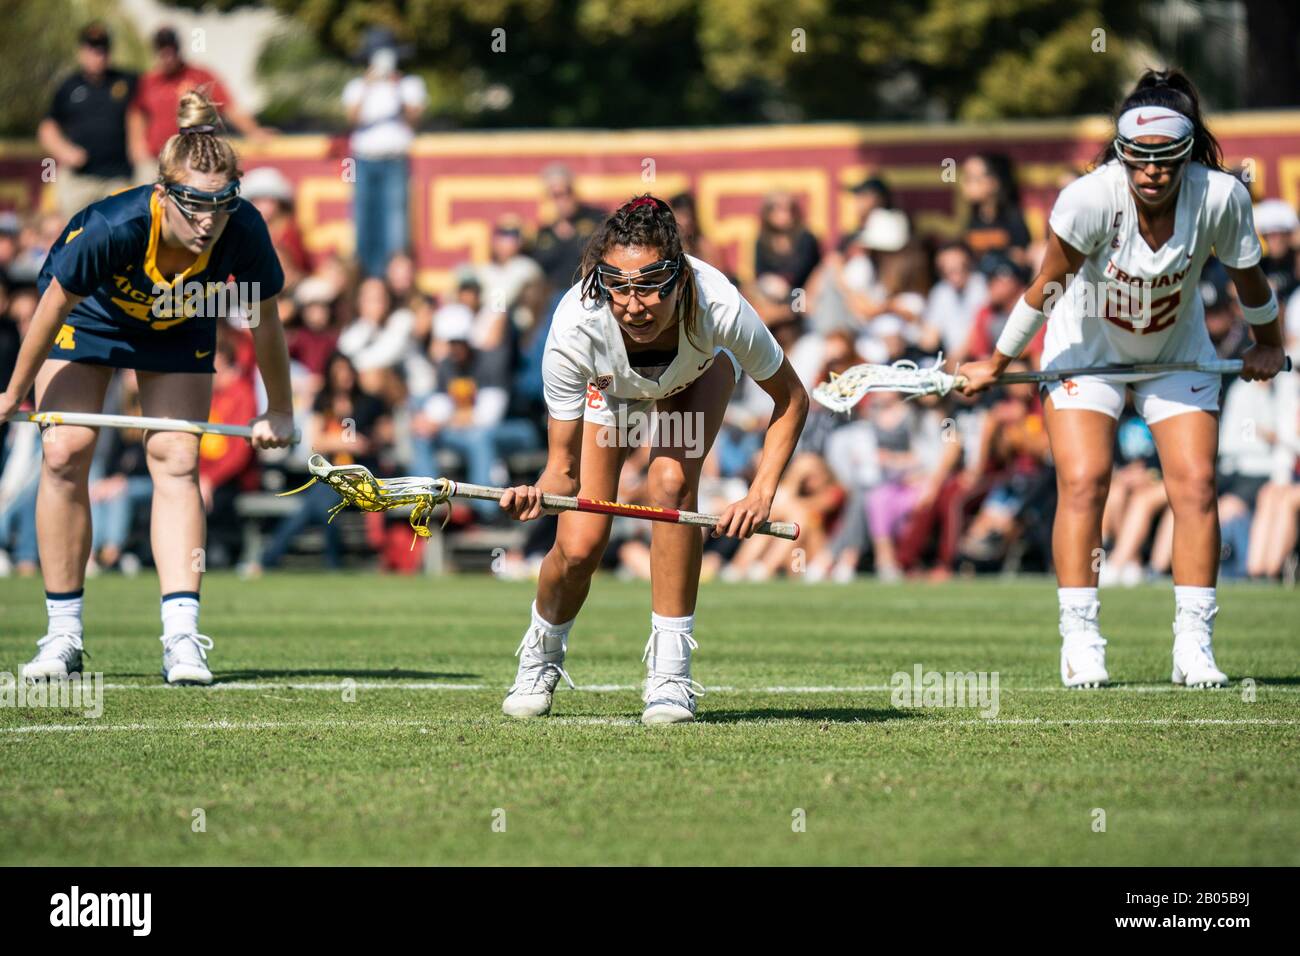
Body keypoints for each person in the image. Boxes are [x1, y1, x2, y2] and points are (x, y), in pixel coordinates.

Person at [958, 69, 1289, 689]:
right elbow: (1046, 287)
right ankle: (1080, 638)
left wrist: (1267, 346)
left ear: (1186, 154)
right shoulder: (1088, 199)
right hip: (1086, 349)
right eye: (1138, 159)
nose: (1152, 173)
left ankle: (1194, 644)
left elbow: (1251, 283)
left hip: (1177, 352)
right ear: (1121, 153)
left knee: (1193, 485)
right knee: (1084, 482)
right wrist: (997, 363)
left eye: (1166, 160)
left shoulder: (1220, 197)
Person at [0, 90, 295, 685]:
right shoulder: (113, 226)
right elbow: (50, 310)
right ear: (164, 194)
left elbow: (265, 326)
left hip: (181, 318)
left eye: (222, 202)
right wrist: (11, 394)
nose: (209, 219)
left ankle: (182, 638)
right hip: (94, 320)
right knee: (64, 450)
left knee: (176, 456)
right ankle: (63, 636)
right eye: (194, 204)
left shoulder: (243, 230)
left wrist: (280, 411)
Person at [495, 195, 808, 724]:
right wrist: (536, 493)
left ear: (679, 279)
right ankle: (541, 655)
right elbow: (561, 471)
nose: (633, 305)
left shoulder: (720, 307)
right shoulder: (575, 326)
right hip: (613, 391)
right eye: (618, 287)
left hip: (697, 376)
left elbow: (793, 398)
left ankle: (670, 676)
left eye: (648, 287)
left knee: (669, 483)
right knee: (581, 542)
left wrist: (760, 493)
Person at [341, 28, 428, 278]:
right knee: (363, 221)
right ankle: (367, 278)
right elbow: (352, 119)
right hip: (363, 161)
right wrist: (369, 85)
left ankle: (395, 279)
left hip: (395, 160)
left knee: (396, 223)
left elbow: (414, 119)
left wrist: (396, 87)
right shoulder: (357, 86)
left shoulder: (410, 84)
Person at [128, 27, 270, 176]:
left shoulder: (199, 76)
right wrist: (137, 144)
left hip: (194, 159)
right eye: (162, 52)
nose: (167, 57)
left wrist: (253, 131)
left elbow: (229, 107)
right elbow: (137, 114)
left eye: (170, 51)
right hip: (157, 158)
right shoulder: (149, 82)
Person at [39, 23, 137, 220]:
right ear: (82, 51)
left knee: (121, 236)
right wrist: (64, 151)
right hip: (80, 179)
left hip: (119, 178)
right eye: (92, 48)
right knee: (75, 238)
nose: (97, 54)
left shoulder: (127, 81)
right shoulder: (68, 86)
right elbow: (47, 128)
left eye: (102, 48)